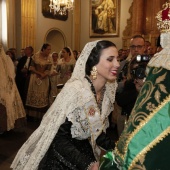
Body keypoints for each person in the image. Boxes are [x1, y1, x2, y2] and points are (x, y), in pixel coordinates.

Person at [11, 40, 120, 170]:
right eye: (110, 59)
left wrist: (119, 148)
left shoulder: (105, 92)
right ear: (94, 63)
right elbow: (58, 139)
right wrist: (87, 164)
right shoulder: (75, 90)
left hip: (85, 155)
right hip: (63, 160)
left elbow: (96, 131)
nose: (117, 64)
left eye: (117, 59)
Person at [100, 2, 170, 169]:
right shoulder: (123, 65)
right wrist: (134, 89)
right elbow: (119, 96)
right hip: (126, 114)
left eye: (140, 46)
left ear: (146, 46)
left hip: (144, 122)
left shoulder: (157, 63)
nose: (136, 50)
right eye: (133, 46)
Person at [0, 44, 26, 133]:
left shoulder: (6, 59)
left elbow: (12, 74)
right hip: (4, 87)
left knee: (7, 106)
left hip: (6, 87)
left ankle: (4, 127)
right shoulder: (6, 59)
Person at [25, 43, 52, 119]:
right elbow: (31, 67)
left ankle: (40, 116)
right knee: (33, 95)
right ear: (43, 49)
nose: (49, 51)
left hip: (44, 80)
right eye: (48, 49)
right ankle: (31, 115)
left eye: (50, 49)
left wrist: (44, 75)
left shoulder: (49, 58)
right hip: (34, 77)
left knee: (42, 97)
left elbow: (48, 69)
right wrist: (40, 73)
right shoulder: (35, 56)